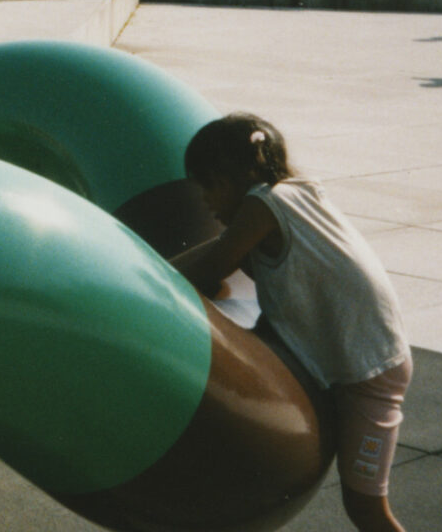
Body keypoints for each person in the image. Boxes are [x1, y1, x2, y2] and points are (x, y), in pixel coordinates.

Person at [169, 113, 410, 532]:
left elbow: (213, 267)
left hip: (369, 376)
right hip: (344, 367)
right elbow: (219, 249)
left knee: (366, 509)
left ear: (236, 178)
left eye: (209, 187)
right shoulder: (288, 199)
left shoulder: (266, 204)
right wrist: (156, 266)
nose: (205, 202)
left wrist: (152, 277)